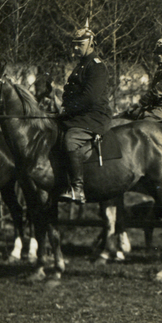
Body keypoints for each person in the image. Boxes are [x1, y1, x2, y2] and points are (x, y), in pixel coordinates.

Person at [56, 27, 112, 204]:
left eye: (80, 45)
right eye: (74, 45)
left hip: (94, 115)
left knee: (71, 140)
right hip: (80, 114)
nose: (75, 49)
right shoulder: (81, 65)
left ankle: (77, 188)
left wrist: (69, 109)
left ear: (90, 44)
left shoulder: (96, 66)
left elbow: (90, 97)